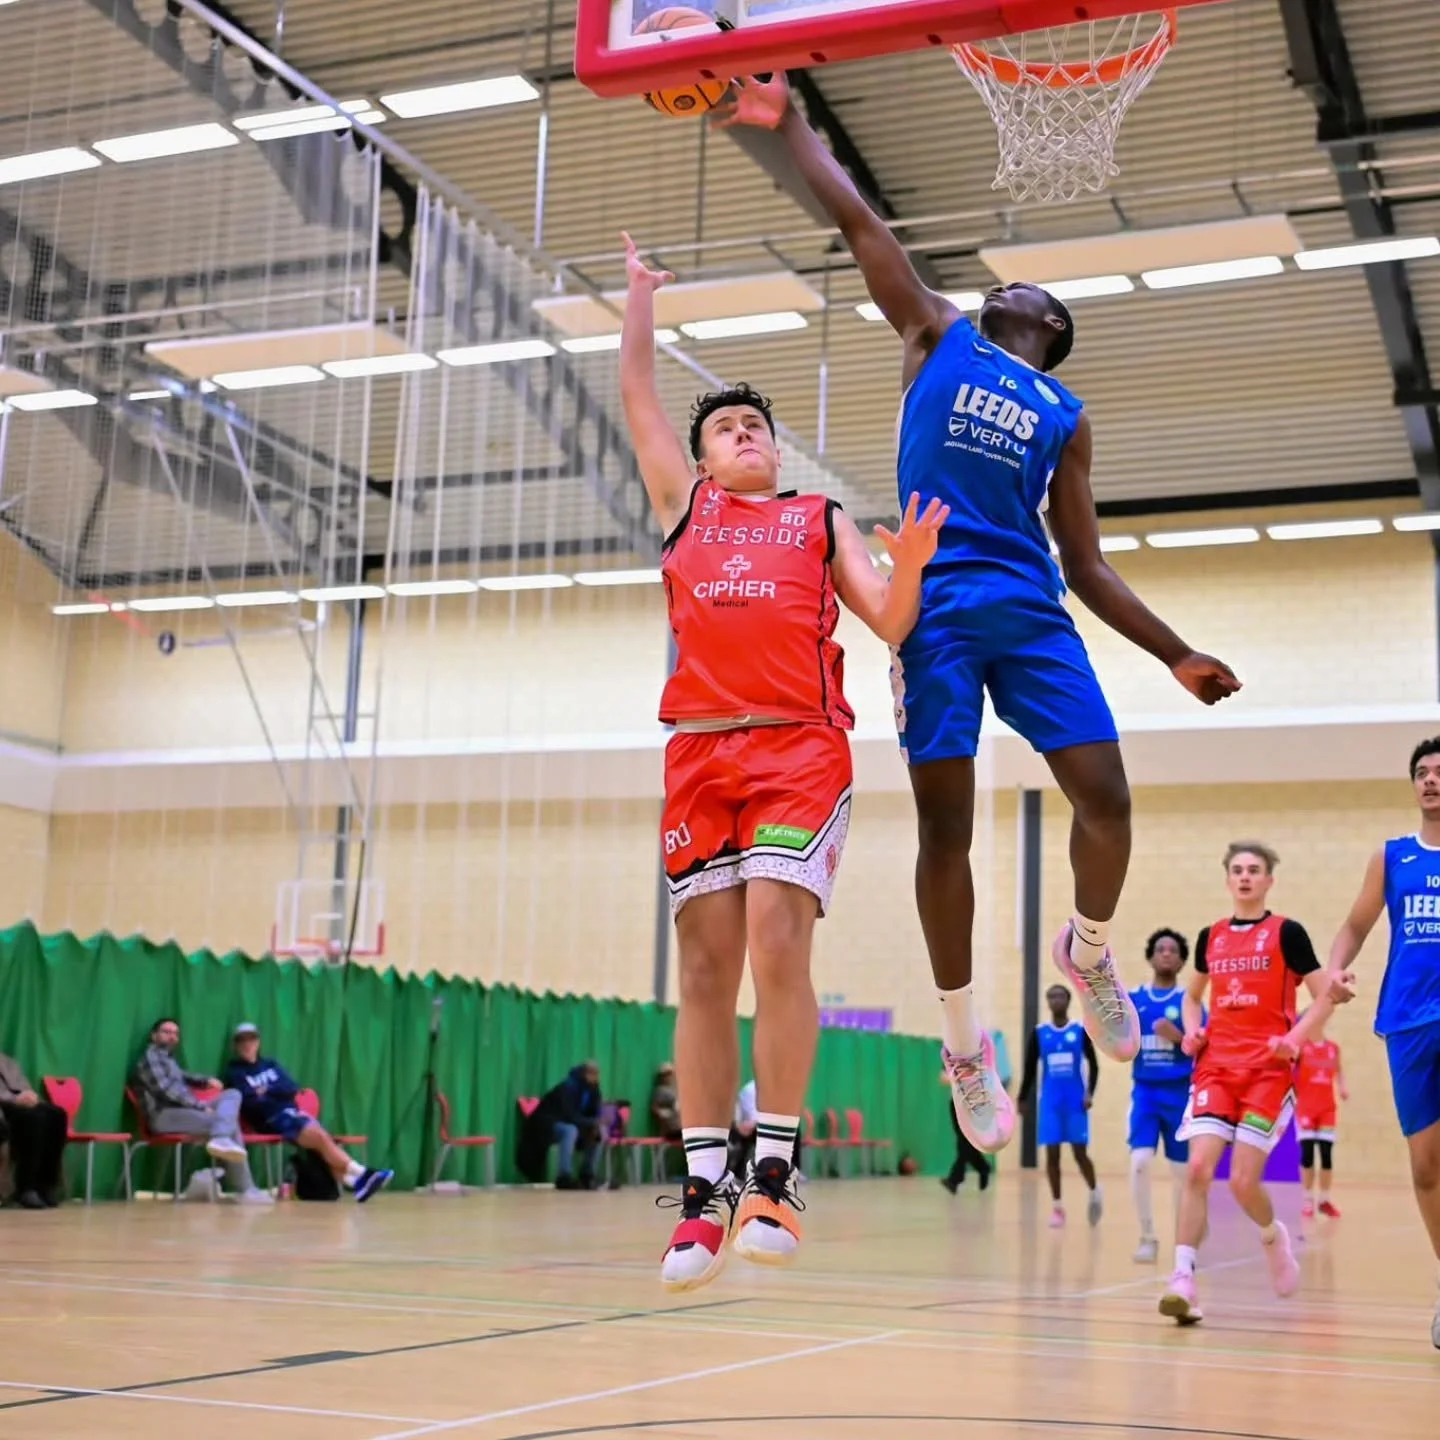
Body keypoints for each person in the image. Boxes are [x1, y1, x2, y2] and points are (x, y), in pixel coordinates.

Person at [715, 75, 1240, 1160]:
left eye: (1036, 291)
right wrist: (793, 124)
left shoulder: (1067, 416)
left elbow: (1087, 562)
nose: (1017, 284)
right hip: (936, 613)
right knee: (946, 827)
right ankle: (963, 1044)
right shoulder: (935, 330)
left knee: (1109, 798)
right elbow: (858, 218)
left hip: (1035, 613)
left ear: (1051, 330)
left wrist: (1176, 651)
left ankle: (1087, 950)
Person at [619, 230, 947, 1291]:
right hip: (699, 757)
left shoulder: (818, 516)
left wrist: (919, 568)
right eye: (726, 426)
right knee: (705, 967)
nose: (744, 432)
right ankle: (704, 1192)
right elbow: (639, 400)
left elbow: (890, 623)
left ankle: (776, 1170)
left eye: (756, 423)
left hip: (802, 749)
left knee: (774, 942)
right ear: (706, 458)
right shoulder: (686, 512)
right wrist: (638, 299)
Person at [1160, 843, 1339, 1324]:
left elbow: (1327, 995)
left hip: (1265, 1071)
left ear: (1268, 881)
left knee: (1242, 1182)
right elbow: (1192, 997)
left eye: (1254, 871)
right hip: (1216, 1067)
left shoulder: (1287, 933)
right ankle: (1182, 1277)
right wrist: (1193, 1028)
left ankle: (1271, 1236)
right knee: (1197, 1169)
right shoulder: (1210, 936)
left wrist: (1295, 1037)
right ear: (1227, 879)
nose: (1244, 877)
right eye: (1237, 870)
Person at [1324, 735, 1440, 1348]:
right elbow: (1354, 925)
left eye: (1439, 771)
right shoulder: (1393, 857)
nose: (1430, 780)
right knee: (1425, 1167)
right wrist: (1337, 968)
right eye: (1421, 772)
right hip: (1408, 1021)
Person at [222, 1023, 392, 1202]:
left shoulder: (270, 1064)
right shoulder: (235, 1072)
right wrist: (272, 1091)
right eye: (242, 1041)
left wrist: (266, 1090)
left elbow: (291, 1088)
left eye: (251, 1039)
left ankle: (358, 1182)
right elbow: (250, 1101)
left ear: (258, 1042)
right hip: (270, 1120)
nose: (247, 1044)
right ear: (236, 1045)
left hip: (291, 1113)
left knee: (321, 1143)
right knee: (319, 1137)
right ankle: (363, 1174)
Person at [132, 1017, 270, 1204]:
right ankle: (244, 1189)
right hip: (163, 1116)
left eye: (175, 1033)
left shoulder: (167, 1059)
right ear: (154, 1036)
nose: (172, 1037)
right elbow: (166, 1091)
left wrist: (205, 1081)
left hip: (183, 1111)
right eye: (166, 1032)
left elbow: (183, 1076)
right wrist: (200, 1106)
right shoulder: (151, 1057)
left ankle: (222, 1140)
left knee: (232, 1094)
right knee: (226, 1124)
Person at [1129, 928, 1198, 1262]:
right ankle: (1147, 1237)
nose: (1167, 953)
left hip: (1181, 1094)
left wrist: (1179, 1037)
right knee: (1140, 1162)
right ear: (1151, 956)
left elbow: (1205, 1048)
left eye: (1173, 949)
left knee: (1182, 1173)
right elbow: (1114, 1040)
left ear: (1182, 959)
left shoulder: (1190, 1002)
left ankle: (1184, 1241)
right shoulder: (1133, 1000)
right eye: (1160, 949)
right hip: (1145, 1092)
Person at [1018, 984, 1101, 1227]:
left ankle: (1095, 1191)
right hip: (1051, 1103)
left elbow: (1094, 1066)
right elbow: (1030, 1069)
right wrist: (1022, 1097)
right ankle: (1057, 1208)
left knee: (1079, 1154)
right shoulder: (1040, 1033)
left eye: (1060, 995)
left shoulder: (1080, 1030)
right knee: (1052, 1154)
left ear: (1068, 1000)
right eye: (1051, 996)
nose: (1056, 1000)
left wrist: (1089, 1094)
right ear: (1047, 1001)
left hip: (1075, 1102)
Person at [941, 1028, 1011, 1194]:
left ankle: (955, 1178)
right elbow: (943, 1077)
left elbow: (986, 1074)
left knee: (965, 1143)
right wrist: (957, 1075)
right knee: (964, 1142)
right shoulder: (950, 1051)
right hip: (958, 1103)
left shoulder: (981, 1050)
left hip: (978, 1103)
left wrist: (963, 1074)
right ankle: (982, 1168)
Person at [0, 1052, 68, 1208]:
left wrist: (29, 1096)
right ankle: (26, 1188)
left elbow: (24, 1086)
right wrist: (14, 1099)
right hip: (4, 1107)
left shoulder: (8, 1062)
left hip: (22, 1103)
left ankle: (46, 1186)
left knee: (57, 1115)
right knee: (34, 1119)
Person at [1295, 1030, 1347, 1220]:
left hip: (1327, 1109)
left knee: (1326, 1155)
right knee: (1307, 1154)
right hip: (1306, 1108)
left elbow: (1339, 1071)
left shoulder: (1333, 1048)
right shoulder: (1302, 1047)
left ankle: (1324, 1200)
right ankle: (1308, 1200)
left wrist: (1342, 1087)